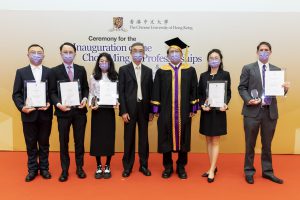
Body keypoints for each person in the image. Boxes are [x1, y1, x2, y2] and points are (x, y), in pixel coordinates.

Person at [238, 41, 290, 184]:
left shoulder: (276, 70)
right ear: (257, 52)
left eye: (266, 50)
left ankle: (267, 171)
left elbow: (278, 92)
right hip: (252, 112)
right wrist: (249, 100)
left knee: (267, 144)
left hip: (270, 113)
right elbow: (241, 88)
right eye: (261, 50)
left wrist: (285, 88)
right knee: (250, 144)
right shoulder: (248, 68)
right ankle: (249, 171)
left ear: (270, 52)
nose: (264, 52)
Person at [151, 37, 198, 179]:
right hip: (166, 112)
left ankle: (181, 166)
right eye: (171, 52)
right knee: (165, 138)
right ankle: (168, 166)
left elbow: (193, 90)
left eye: (177, 51)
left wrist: (193, 108)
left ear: (182, 54)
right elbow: (156, 91)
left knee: (183, 138)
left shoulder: (190, 70)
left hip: (184, 112)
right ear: (167, 55)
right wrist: (156, 110)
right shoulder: (161, 71)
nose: (174, 54)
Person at [12, 44, 53, 182]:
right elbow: (16, 94)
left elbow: (53, 93)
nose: (36, 54)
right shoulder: (21, 72)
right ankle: (32, 169)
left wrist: (49, 103)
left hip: (45, 114)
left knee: (44, 143)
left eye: (39, 52)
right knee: (30, 144)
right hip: (28, 114)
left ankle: (45, 168)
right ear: (28, 55)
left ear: (43, 55)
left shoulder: (49, 72)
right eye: (33, 52)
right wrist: (21, 107)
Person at [49, 42, 89, 182]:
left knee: (79, 142)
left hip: (79, 112)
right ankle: (64, 170)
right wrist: (58, 104)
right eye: (65, 52)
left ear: (75, 54)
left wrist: (84, 98)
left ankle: (79, 168)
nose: (68, 54)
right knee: (63, 142)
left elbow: (85, 88)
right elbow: (52, 92)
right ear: (60, 54)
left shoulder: (81, 69)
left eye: (70, 52)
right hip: (63, 113)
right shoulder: (54, 71)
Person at [118, 42, 153, 177]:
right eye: (135, 50)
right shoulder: (123, 69)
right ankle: (127, 167)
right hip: (129, 109)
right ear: (131, 53)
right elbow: (121, 92)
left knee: (144, 139)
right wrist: (123, 111)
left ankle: (143, 166)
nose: (137, 53)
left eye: (140, 51)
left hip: (144, 109)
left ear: (144, 53)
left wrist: (151, 111)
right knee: (129, 138)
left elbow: (151, 92)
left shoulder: (148, 71)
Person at [198, 49, 231, 183]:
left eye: (216, 57)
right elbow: (199, 94)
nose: (213, 60)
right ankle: (213, 166)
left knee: (215, 141)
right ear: (208, 60)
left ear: (221, 60)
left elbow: (228, 93)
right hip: (207, 112)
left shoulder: (225, 74)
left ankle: (211, 170)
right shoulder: (203, 75)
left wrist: (225, 104)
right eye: (211, 58)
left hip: (218, 112)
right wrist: (202, 105)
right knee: (208, 140)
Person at [88, 52, 118, 179]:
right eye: (101, 61)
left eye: (106, 61)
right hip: (98, 110)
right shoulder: (93, 76)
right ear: (98, 63)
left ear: (110, 63)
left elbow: (117, 93)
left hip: (109, 110)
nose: (103, 63)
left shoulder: (115, 76)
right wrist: (91, 104)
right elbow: (91, 93)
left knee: (108, 138)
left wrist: (117, 101)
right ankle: (99, 165)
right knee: (97, 139)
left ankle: (108, 165)